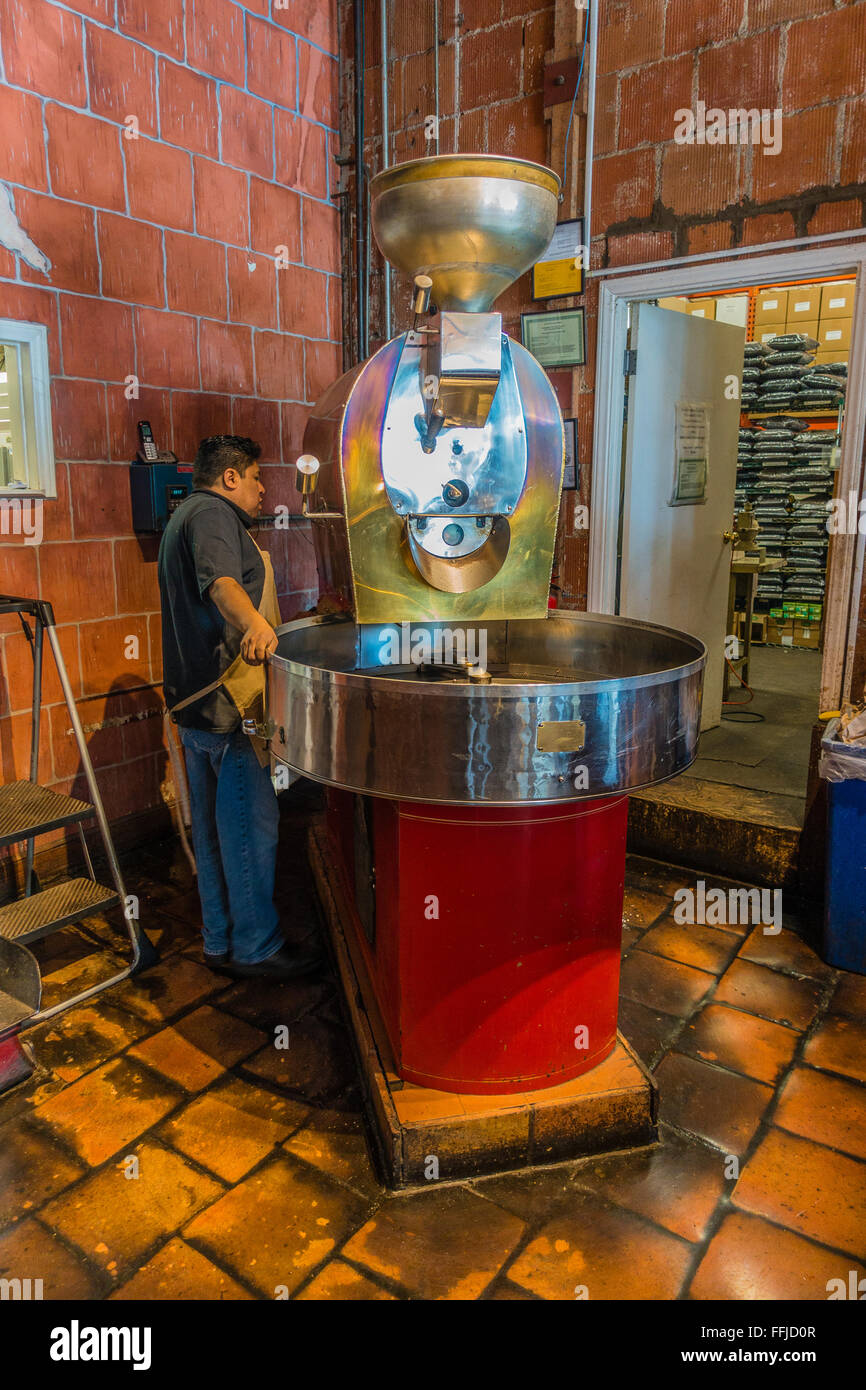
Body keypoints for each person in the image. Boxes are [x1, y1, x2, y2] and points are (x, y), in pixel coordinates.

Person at [158, 434, 321, 979]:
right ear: (230, 478)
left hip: (194, 706)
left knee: (211, 831)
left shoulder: (184, 516)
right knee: (250, 829)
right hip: (231, 706)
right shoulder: (211, 515)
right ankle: (257, 948)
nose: (261, 491)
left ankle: (220, 939)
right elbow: (222, 584)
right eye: (256, 479)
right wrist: (253, 622)